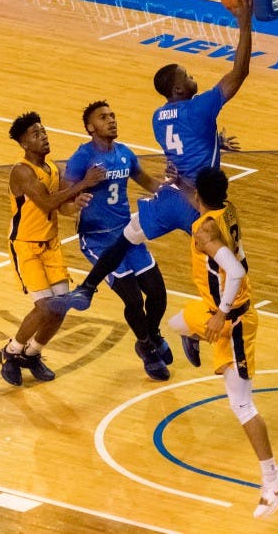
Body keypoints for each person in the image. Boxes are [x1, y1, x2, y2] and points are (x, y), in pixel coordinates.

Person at [47, 0, 255, 315]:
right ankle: (209, 319)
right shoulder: (200, 108)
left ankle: (87, 288)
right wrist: (245, 23)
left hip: (169, 196)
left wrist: (214, 141)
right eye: (187, 75)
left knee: (128, 235)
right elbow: (240, 72)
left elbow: (187, 143)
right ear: (177, 88)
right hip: (194, 201)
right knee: (230, 263)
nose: (193, 76)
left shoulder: (158, 117)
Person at [167, 167, 278, 518]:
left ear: (200, 195)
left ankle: (274, 479)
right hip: (210, 310)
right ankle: (196, 338)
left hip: (232, 321)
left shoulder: (204, 230)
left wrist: (222, 312)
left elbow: (236, 272)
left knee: (242, 406)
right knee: (176, 323)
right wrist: (179, 183)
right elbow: (232, 246)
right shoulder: (226, 210)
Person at [64, 101, 173, 381]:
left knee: (158, 293)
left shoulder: (125, 154)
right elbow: (62, 201)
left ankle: (151, 334)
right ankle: (147, 348)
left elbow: (148, 182)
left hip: (127, 234)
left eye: (113, 115)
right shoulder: (82, 158)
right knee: (134, 300)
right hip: (97, 238)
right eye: (103, 117)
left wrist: (172, 185)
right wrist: (79, 195)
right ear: (91, 127)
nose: (111, 120)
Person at [0, 112, 106, 386]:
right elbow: (46, 203)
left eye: (43, 131)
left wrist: (77, 203)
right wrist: (83, 183)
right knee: (45, 306)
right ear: (24, 144)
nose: (43, 136)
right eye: (36, 134)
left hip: (51, 244)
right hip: (27, 246)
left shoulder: (53, 169)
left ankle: (32, 354)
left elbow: (60, 207)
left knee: (61, 307)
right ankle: (11, 352)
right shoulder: (21, 171)